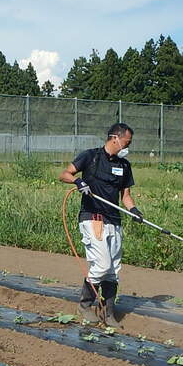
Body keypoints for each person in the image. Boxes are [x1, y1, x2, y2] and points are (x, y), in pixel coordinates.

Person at [59, 123, 144, 327]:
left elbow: (126, 195)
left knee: (113, 270)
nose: (128, 146)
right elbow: (64, 174)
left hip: (114, 221)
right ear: (115, 138)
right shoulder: (91, 156)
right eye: (127, 142)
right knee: (102, 265)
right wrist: (78, 182)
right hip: (93, 218)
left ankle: (108, 312)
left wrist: (133, 210)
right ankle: (85, 305)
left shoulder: (124, 165)